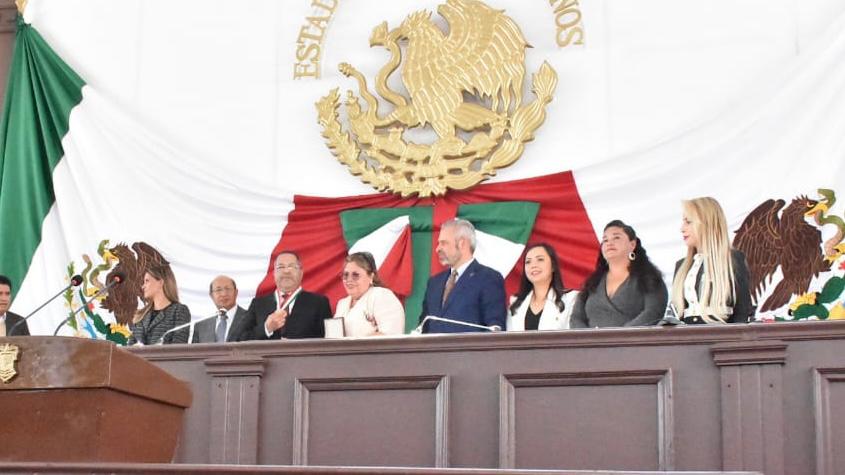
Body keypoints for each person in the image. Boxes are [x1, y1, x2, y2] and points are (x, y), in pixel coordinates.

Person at [570, 220, 667, 328]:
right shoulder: (593, 282)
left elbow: (653, 313)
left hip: (632, 338)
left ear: (632, 244)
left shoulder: (649, 278)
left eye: (616, 237)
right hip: (590, 339)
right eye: (605, 240)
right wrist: (587, 336)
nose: (609, 243)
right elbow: (576, 317)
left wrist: (620, 335)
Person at [671, 197, 752, 323]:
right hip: (687, 334)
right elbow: (677, 314)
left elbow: (742, 311)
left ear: (706, 224)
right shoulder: (681, 266)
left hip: (721, 333)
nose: (682, 228)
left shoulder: (733, 260)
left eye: (688, 222)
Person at [419, 218, 506, 333]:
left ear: (462, 243)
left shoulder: (488, 278)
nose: (437, 249)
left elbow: (494, 329)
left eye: (444, 243)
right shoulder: (434, 283)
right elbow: (423, 326)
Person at [241, 251, 331, 340]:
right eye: (281, 267)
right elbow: (239, 338)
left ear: (301, 273)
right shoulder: (258, 304)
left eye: (291, 266)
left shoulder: (319, 303)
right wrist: (266, 328)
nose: (286, 271)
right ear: (274, 274)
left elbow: (328, 340)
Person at [507, 243, 578, 331]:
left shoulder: (570, 299)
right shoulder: (515, 302)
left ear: (553, 266)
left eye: (540, 259)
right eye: (528, 262)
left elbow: (574, 335)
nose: (533, 265)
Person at [331, 252, 405, 337]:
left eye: (355, 275)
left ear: (371, 277)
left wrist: (357, 343)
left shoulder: (382, 296)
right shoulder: (342, 304)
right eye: (345, 275)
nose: (349, 280)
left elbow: (391, 335)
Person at [128, 264, 191, 345]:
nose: (143, 286)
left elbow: (178, 346)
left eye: (147, 281)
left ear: (160, 283)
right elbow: (129, 348)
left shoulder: (179, 311)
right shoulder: (141, 315)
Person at [192, 275, 250, 343]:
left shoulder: (250, 319)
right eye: (218, 290)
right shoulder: (201, 326)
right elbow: (194, 349)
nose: (223, 294)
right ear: (211, 295)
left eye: (227, 289)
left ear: (236, 292)